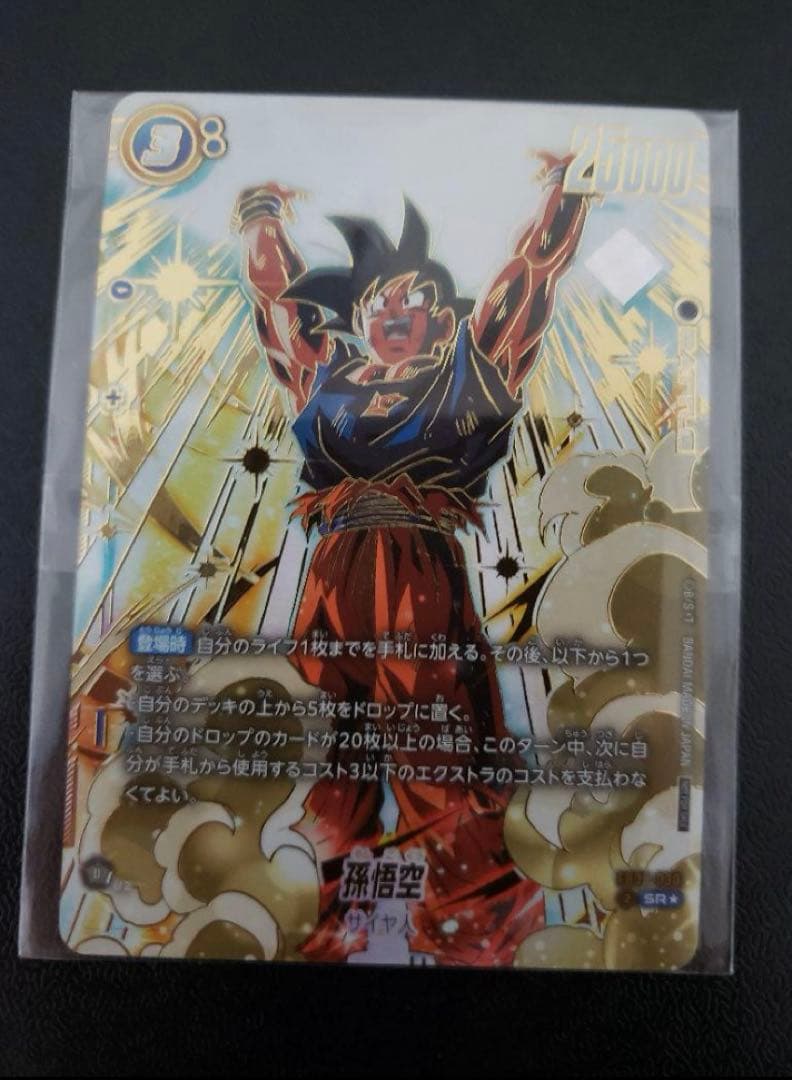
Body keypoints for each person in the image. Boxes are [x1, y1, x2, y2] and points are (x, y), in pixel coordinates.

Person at [233, 155, 588, 964]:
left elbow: (528, 280)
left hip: (417, 569)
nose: (396, 309)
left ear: (441, 315)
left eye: (416, 298)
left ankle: (474, 933)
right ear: (359, 318)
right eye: (380, 301)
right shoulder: (327, 380)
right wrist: (261, 216)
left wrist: (566, 193)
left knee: (442, 752)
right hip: (333, 572)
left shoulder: (470, 369)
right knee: (325, 756)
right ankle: (319, 924)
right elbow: (281, 310)